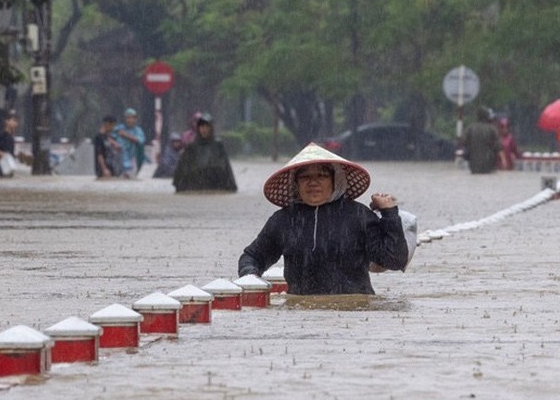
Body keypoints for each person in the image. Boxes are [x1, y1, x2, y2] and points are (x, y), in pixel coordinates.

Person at [237, 143, 409, 295]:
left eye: (321, 176)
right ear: (296, 184)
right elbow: (252, 256)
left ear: (335, 180)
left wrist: (389, 213)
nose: (313, 182)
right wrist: (250, 276)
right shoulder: (283, 220)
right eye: (305, 177)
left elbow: (395, 260)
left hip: (354, 312)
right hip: (300, 310)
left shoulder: (359, 215)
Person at [172, 114, 237, 192]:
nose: (204, 130)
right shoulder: (191, 147)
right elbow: (182, 169)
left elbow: (226, 168)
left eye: (207, 127)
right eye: (202, 127)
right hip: (195, 186)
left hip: (215, 185)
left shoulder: (218, 145)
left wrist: (231, 186)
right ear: (198, 128)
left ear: (211, 128)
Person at [459, 106, 502, 175]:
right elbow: (498, 147)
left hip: (474, 164)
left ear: (477, 116)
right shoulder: (492, 129)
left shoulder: (470, 129)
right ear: (487, 116)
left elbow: (463, 142)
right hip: (489, 164)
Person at [113, 108, 149, 178]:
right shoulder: (119, 128)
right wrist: (114, 143)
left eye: (132, 118)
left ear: (135, 119)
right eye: (128, 118)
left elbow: (140, 141)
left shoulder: (138, 130)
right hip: (119, 157)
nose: (129, 120)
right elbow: (108, 136)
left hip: (133, 158)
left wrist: (125, 135)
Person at [0, 113, 20, 178]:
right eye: (13, 120)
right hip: (1, 167)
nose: (15, 123)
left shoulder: (11, 137)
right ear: (7, 121)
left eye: (16, 121)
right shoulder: (1, 135)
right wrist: (3, 155)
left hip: (9, 168)